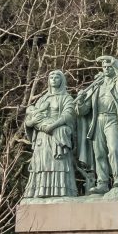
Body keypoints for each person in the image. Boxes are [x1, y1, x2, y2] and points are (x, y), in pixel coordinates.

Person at [76, 56, 118, 194]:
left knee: (114, 149)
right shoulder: (96, 86)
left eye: (109, 66)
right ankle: (102, 182)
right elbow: (83, 110)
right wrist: (80, 101)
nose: (107, 69)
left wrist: (113, 60)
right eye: (104, 66)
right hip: (98, 121)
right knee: (99, 153)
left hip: (113, 120)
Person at [23, 70, 78, 199]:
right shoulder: (42, 99)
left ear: (62, 80)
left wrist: (53, 126)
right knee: (41, 164)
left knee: (59, 164)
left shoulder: (66, 98)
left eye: (57, 76)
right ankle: (39, 191)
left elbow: (69, 115)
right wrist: (35, 124)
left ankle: (62, 191)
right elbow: (32, 116)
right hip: (42, 137)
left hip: (57, 136)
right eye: (51, 76)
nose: (53, 79)